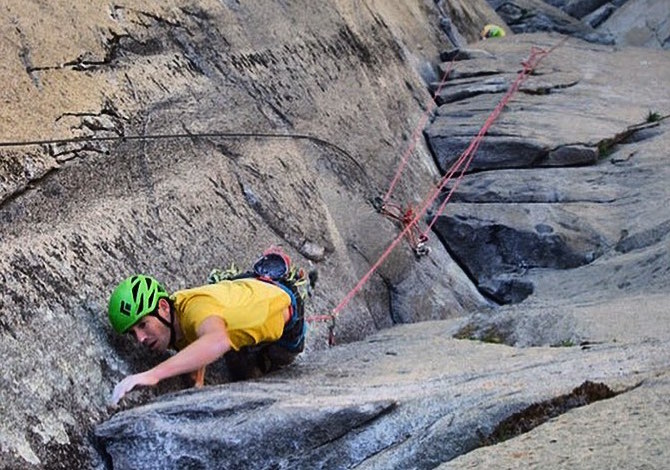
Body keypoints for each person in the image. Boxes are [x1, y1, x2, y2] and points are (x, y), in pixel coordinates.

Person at [107, 256, 307, 405]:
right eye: (133, 334)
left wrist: (154, 374)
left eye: (143, 325)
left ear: (163, 307)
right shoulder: (175, 318)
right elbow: (197, 338)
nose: (140, 338)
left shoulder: (195, 309)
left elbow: (216, 341)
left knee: (265, 368)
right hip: (243, 287)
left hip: (285, 308)